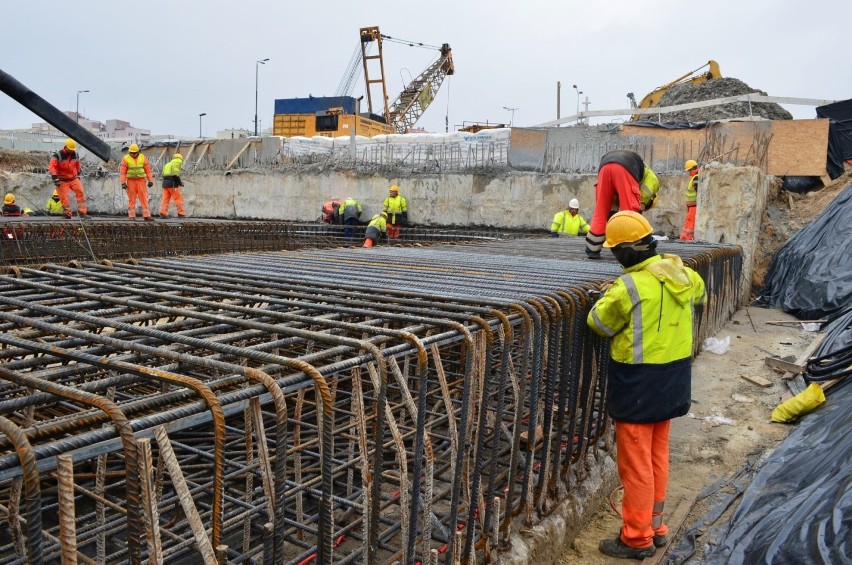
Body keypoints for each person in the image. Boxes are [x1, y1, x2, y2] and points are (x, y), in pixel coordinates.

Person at [587, 211, 706, 560]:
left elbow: (599, 324)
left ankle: (636, 538)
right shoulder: (682, 273)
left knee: (636, 464)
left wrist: (607, 296)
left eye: (615, 251)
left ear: (626, 251)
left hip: (638, 385)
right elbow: (699, 296)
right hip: (674, 381)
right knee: (656, 456)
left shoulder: (629, 287)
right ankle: (655, 527)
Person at [585, 150, 647, 259]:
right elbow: (641, 199)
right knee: (630, 213)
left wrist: (612, 211)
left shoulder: (636, 165)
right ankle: (630, 250)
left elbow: (614, 194)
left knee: (601, 210)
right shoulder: (650, 179)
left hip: (604, 167)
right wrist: (641, 206)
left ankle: (592, 248)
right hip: (624, 168)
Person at [48, 138, 88, 219]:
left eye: (72, 149)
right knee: (64, 198)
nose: (71, 151)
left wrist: (78, 175)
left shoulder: (75, 155)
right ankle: (67, 214)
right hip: (62, 180)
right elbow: (52, 167)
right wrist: (55, 179)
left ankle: (82, 213)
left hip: (73, 178)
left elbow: (77, 165)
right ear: (65, 147)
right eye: (70, 149)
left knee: (80, 193)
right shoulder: (57, 156)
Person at [119, 144, 154, 220]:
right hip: (131, 181)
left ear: (138, 152)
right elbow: (122, 172)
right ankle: (131, 216)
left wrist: (150, 180)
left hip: (141, 180)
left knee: (144, 198)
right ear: (129, 152)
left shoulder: (143, 157)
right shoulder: (125, 158)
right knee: (132, 199)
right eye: (131, 152)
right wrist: (123, 182)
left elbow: (148, 170)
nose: (133, 154)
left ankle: (147, 216)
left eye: (134, 153)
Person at [160, 153, 186, 218]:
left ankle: (163, 213)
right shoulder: (178, 163)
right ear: (180, 158)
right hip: (173, 184)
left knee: (165, 199)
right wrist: (180, 183)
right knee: (178, 199)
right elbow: (175, 175)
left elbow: (163, 174)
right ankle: (181, 213)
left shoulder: (168, 164)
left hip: (165, 184)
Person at [679, 160, 699, 240]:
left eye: (689, 171)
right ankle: (685, 237)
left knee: (690, 223)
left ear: (691, 169)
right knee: (689, 222)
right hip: (692, 206)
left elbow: (698, 191)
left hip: (694, 206)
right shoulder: (695, 177)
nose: (688, 173)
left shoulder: (696, 177)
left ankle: (687, 238)